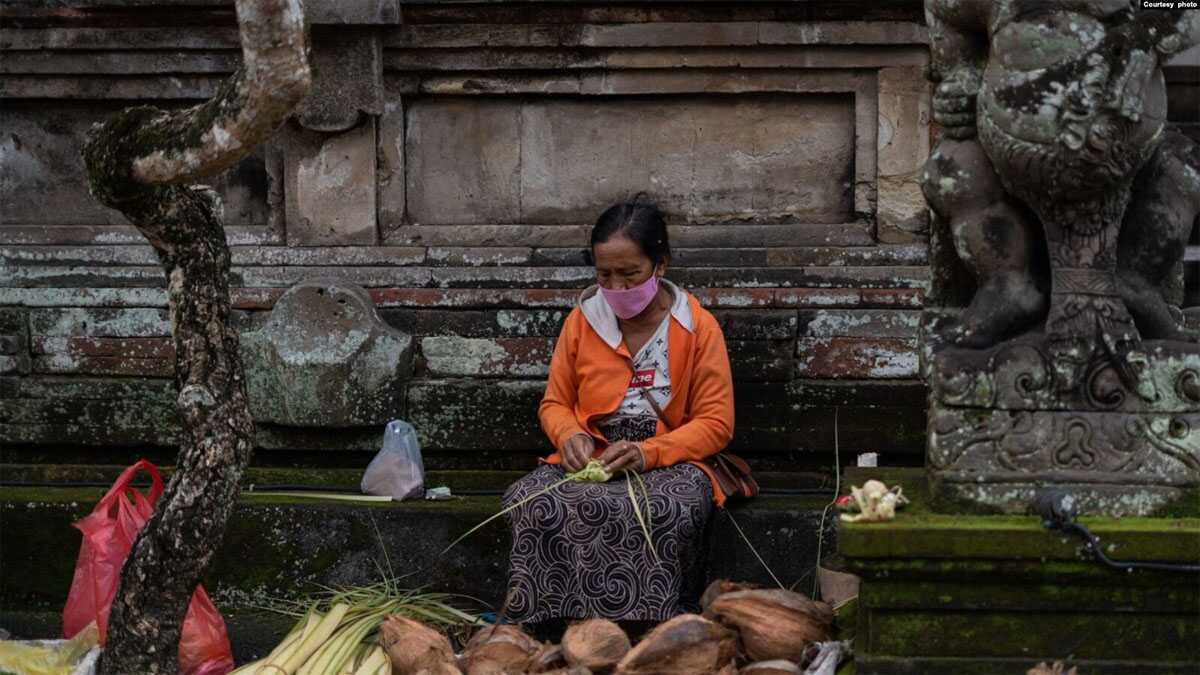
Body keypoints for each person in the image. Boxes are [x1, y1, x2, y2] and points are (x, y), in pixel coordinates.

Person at [501, 196, 735, 630]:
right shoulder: (582, 322)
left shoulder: (697, 328)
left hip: (672, 459)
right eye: (605, 275)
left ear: (660, 265)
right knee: (531, 501)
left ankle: (654, 628)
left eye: (631, 274)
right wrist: (569, 436)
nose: (618, 288)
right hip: (595, 453)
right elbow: (555, 403)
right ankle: (555, 624)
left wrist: (649, 453)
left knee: (664, 507)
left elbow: (716, 423)